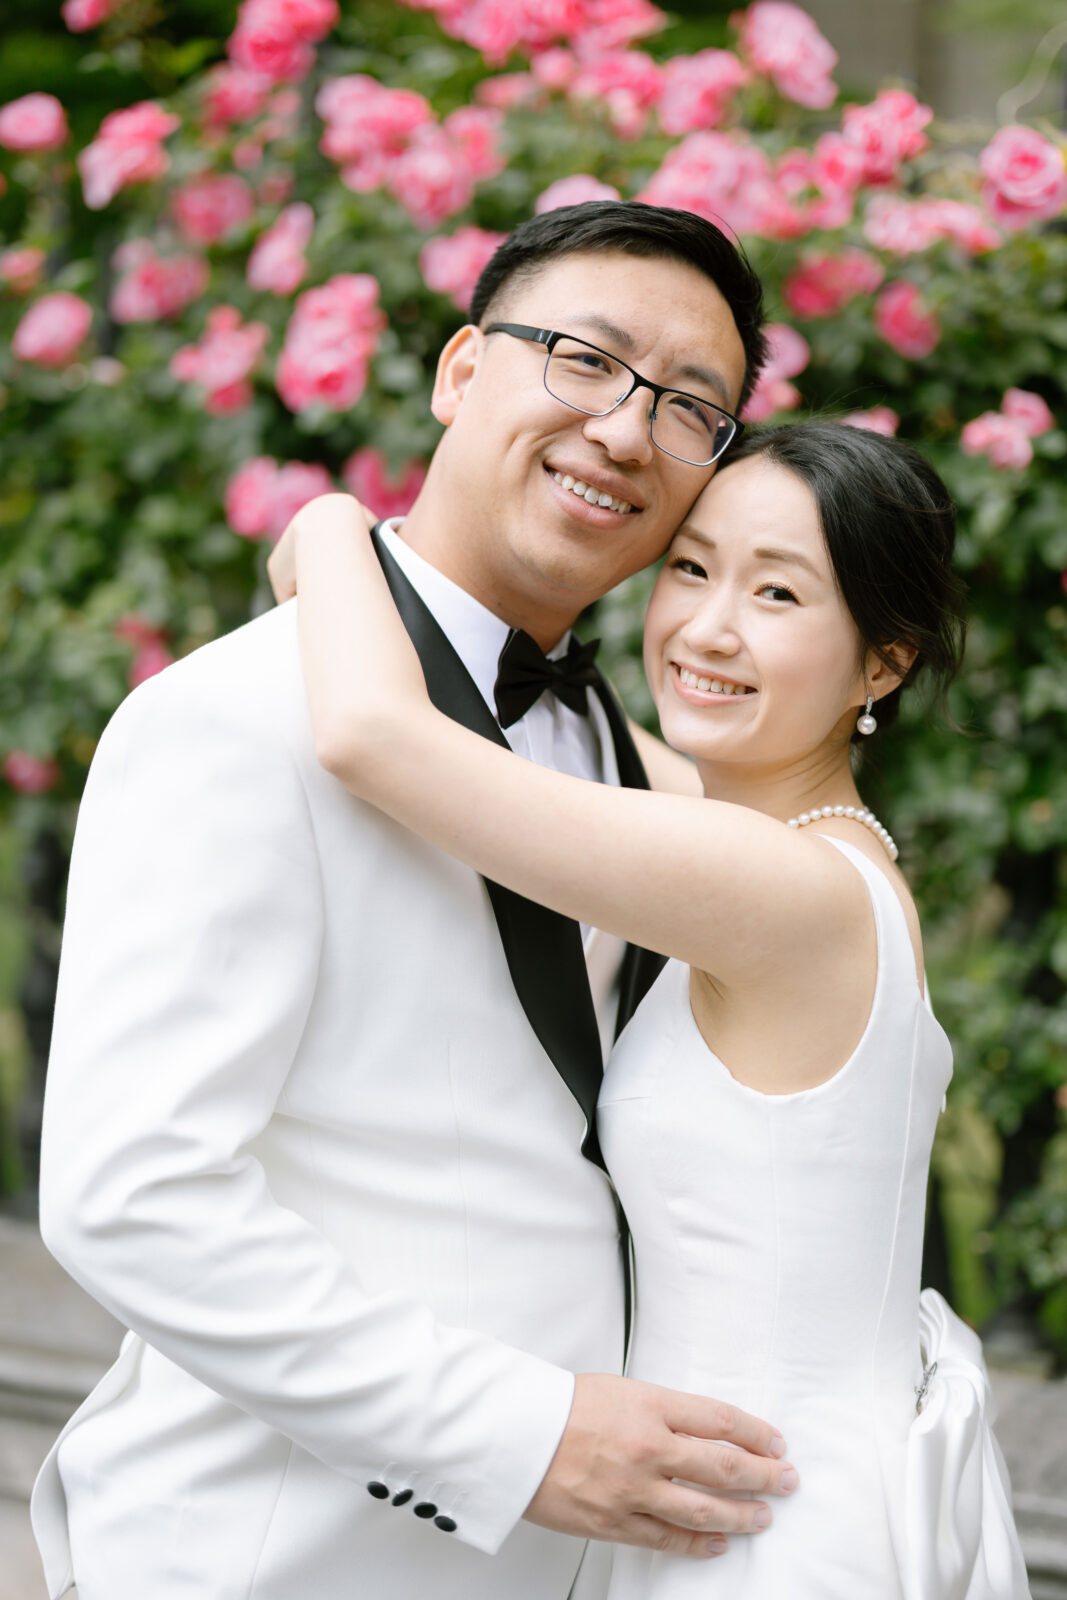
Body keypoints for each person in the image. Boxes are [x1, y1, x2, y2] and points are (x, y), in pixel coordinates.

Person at [30, 202, 799, 1600]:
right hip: (263, 1562)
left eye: (689, 407)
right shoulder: (233, 718)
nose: (625, 431)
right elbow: (131, 1194)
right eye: (583, 359)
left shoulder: (632, 764)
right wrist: (512, 1437)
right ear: (458, 373)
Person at [267, 418, 1031, 1599]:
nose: (705, 626)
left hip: (762, 1532)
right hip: (740, 1496)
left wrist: (327, 524)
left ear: (881, 663)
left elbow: (373, 732)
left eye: (776, 591)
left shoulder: (776, 890)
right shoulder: (791, 843)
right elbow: (580, 737)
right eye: (690, 566)